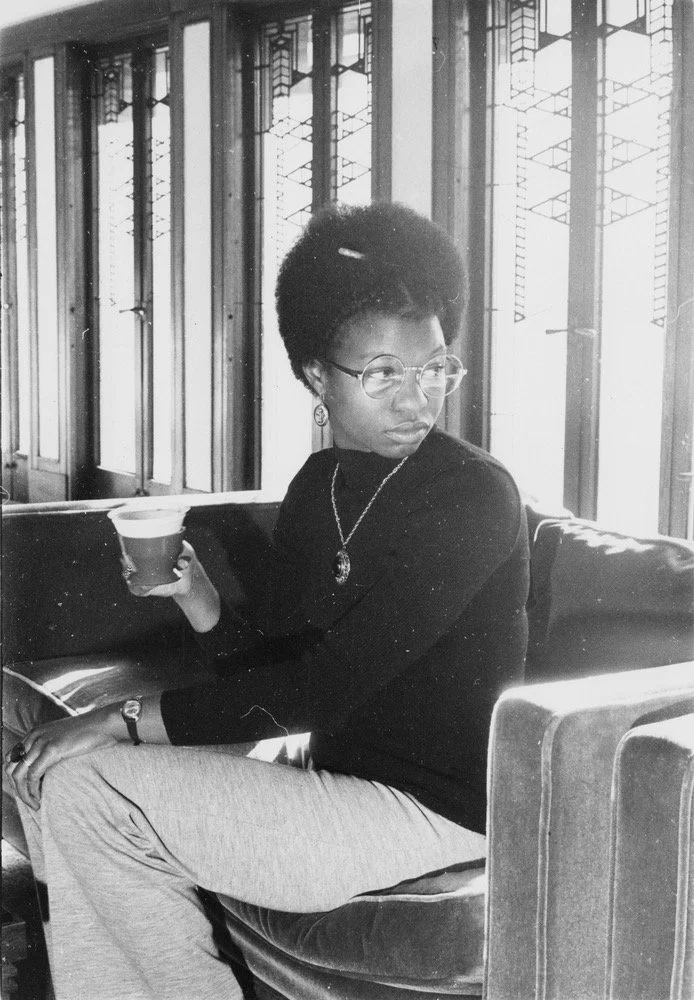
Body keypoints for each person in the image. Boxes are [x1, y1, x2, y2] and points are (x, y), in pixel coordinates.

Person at [5, 202, 529, 1000]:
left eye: (435, 368)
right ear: (318, 376)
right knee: (39, 755)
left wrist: (122, 717)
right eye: (383, 372)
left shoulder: (472, 496)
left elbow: (327, 686)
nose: (417, 401)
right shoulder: (317, 488)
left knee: (87, 787)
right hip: (335, 782)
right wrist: (198, 597)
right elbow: (279, 662)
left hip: (433, 812)